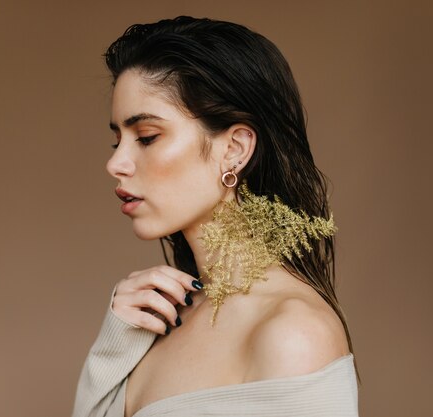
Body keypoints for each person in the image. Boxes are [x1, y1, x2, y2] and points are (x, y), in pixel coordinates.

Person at [72, 16, 358, 417]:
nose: (116, 163)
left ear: (235, 149)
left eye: (147, 137)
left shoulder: (292, 334)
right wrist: (113, 344)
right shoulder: (160, 319)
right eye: (117, 140)